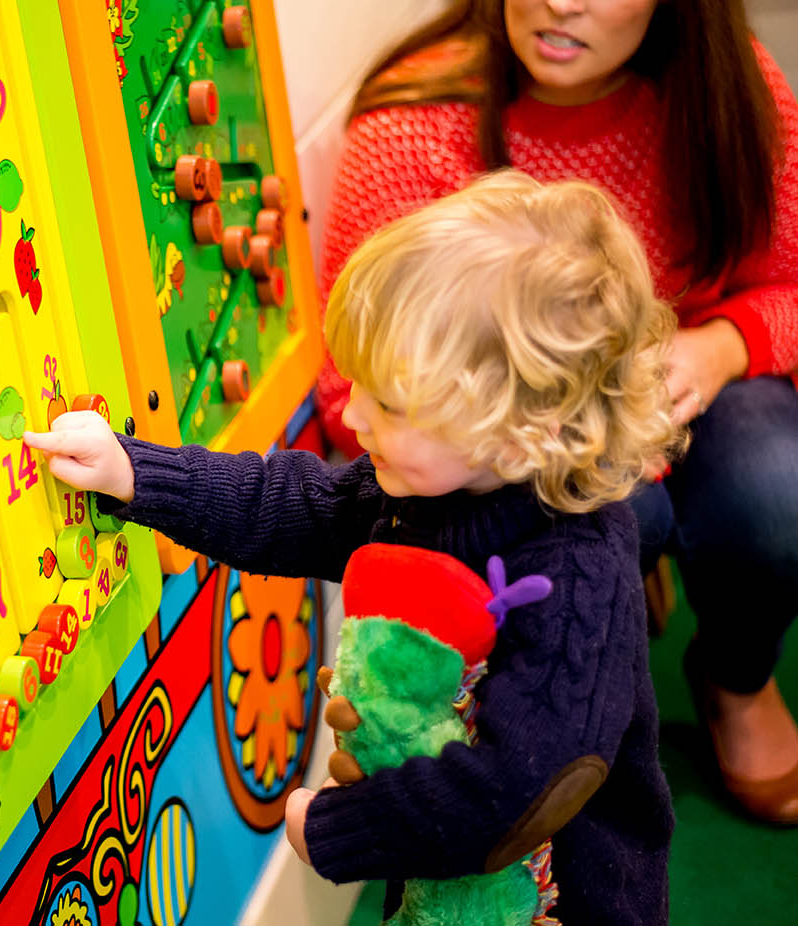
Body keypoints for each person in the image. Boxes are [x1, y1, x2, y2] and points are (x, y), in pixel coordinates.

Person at [26, 171, 684, 923]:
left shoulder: (577, 572)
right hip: (446, 887)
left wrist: (343, 830)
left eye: (390, 403)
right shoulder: (421, 488)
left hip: (568, 904)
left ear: (517, 430)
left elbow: (518, 785)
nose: (355, 416)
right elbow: (285, 503)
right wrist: (132, 471)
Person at [313, 0, 798, 826]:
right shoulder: (415, 125)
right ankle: (582, 686)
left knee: (774, 487)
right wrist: (559, 441)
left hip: (700, 390)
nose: (558, 2)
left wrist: (723, 344)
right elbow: (350, 387)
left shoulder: (731, 88)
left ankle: (735, 677)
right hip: (520, 445)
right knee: (601, 520)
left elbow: (786, 281)